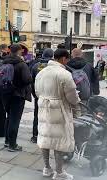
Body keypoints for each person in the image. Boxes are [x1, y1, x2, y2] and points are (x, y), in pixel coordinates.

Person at [35, 49, 80, 180]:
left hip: (44, 107)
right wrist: (76, 104)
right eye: (67, 59)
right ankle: (59, 172)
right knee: (58, 140)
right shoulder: (64, 74)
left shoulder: (41, 72)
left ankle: (47, 168)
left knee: (45, 138)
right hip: (59, 110)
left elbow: (37, 91)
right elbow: (72, 96)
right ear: (64, 59)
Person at [2, 44, 32, 152]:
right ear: (19, 51)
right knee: (15, 119)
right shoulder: (21, 64)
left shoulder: (4, 62)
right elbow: (28, 79)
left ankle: (7, 141)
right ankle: (12, 144)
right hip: (18, 95)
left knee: (9, 117)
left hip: (5, 94)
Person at [30, 48, 54, 143]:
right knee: (50, 117)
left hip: (39, 96)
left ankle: (35, 136)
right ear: (52, 56)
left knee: (37, 116)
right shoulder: (54, 67)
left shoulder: (36, 66)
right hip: (51, 96)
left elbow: (31, 82)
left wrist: (34, 94)